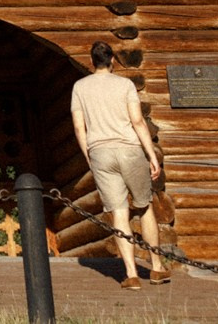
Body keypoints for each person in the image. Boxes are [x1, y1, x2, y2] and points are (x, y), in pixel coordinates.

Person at [69, 41, 168, 289]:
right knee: (144, 207)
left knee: (119, 212)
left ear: (92, 61)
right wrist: (152, 156)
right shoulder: (124, 85)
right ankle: (156, 267)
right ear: (112, 59)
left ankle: (131, 274)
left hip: (100, 152)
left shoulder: (80, 87)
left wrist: (89, 156)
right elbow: (137, 121)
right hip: (130, 150)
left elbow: (79, 127)